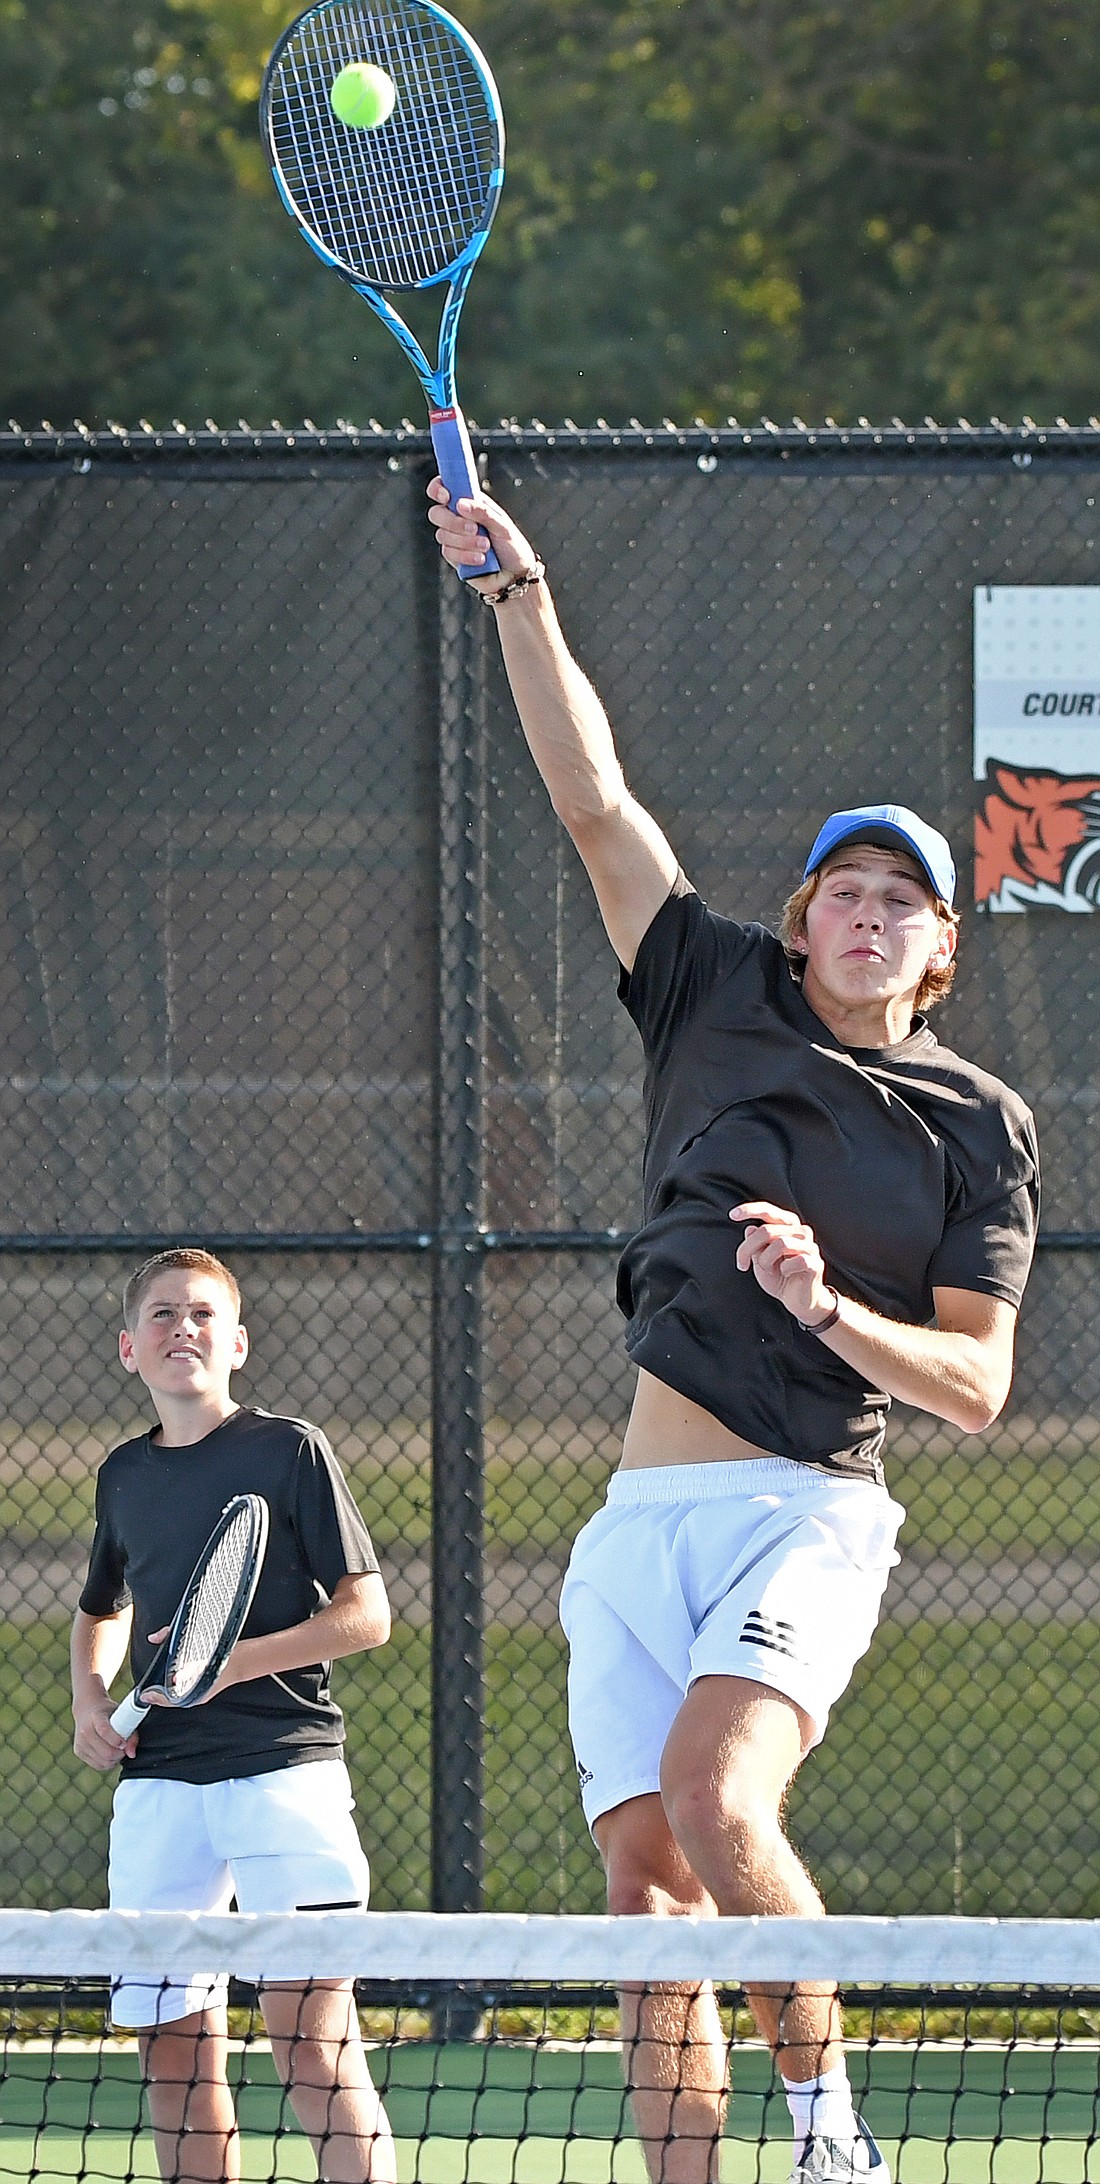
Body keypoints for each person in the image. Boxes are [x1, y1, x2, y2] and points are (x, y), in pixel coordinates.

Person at [427, 479, 1040, 2184]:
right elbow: (594, 796)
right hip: (639, 1525)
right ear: (801, 919)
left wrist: (829, 1306)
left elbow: (980, 1383)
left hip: (805, 1505)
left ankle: (833, 2133)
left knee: (718, 1797)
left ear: (942, 946)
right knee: (644, 1896)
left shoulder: (974, 1117)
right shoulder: (709, 989)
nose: (866, 910)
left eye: (900, 898)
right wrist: (519, 591)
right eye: (841, 887)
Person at [71, 1246, 396, 2184]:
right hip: (161, 1785)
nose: (184, 1327)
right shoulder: (122, 1475)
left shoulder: (289, 1450)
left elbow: (365, 1615)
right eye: (164, 1314)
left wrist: (227, 1663)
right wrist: (93, 1703)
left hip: (283, 1772)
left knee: (309, 2039)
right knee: (173, 2047)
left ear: (238, 1342)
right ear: (130, 1348)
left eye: (204, 1314)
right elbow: (103, 1609)